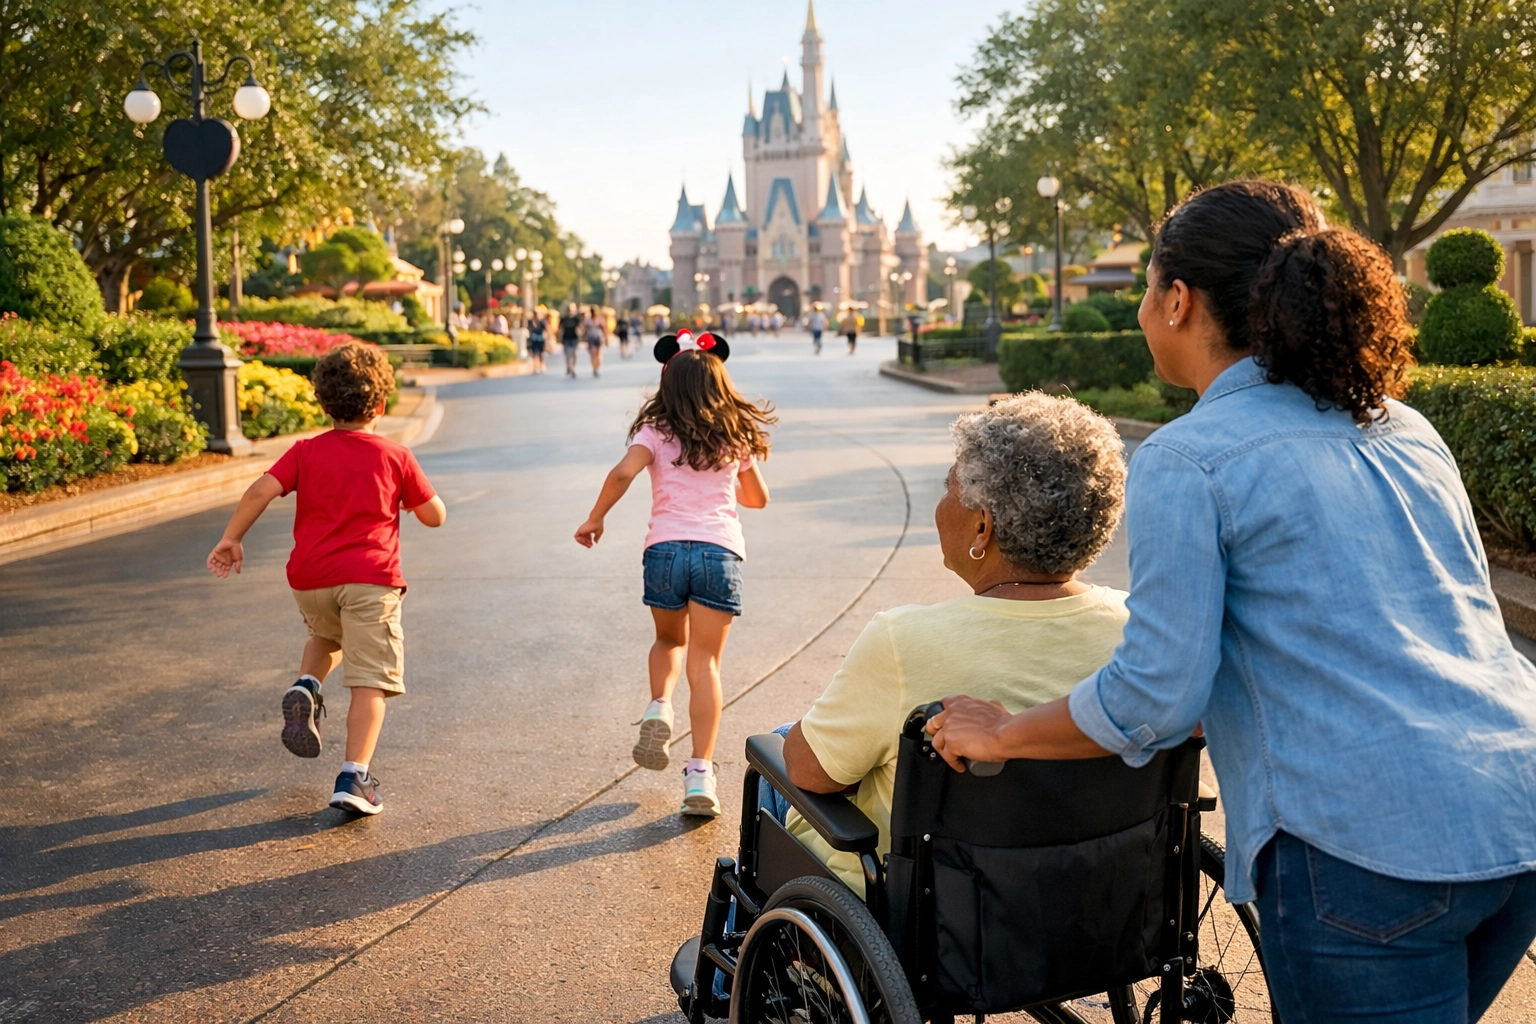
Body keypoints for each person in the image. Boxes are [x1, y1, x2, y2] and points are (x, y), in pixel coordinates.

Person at [927, 180, 1536, 1024]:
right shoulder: (1402, 425)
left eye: (1147, 286)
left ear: (1179, 301)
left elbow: (1154, 697)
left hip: (1363, 852)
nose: (1143, 308)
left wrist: (1003, 731)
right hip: (1513, 807)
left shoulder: (1192, 458)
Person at [765, 394, 1129, 894]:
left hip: (927, 920)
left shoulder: (904, 641)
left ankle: (730, 972)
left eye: (948, 488)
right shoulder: (1143, 634)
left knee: (780, 753)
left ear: (983, 526)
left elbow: (809, 772)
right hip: (1096, 904)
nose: (940, 507)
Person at [205, 342, 447, 815]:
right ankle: (354, 776)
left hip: (311, 579)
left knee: (326, 635)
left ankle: (307, 685)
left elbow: (260, 489)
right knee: (370, 680)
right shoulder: (394, 455)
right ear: (380, 405)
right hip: (369, 579)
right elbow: (433, 516)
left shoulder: (304, 452)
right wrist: (416, 502)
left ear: (323, 403)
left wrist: (231, 538)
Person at [574, 334, 775, 817]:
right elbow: (757, 499)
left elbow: (623, 474)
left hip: (664, 550)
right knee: (704, 663)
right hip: (718, 552)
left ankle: (658, 706)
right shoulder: (735, 435)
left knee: (668, 642)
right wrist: (733, 470)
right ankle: (700, 775)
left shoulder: (656, 432)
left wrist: (596, 516)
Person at [559, 302, 582, 378]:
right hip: (566, 337)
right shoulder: (564, 318)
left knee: (574, 354)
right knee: (568, 354)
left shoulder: (576, 318)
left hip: (574, 337)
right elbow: (560, 328)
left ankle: (573, 368)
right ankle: (568, 366)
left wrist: (580, 335)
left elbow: (579, 327)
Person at [584, 305, 607, 377]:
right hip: (591, 338)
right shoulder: (587, 320)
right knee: (593, 354)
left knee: (599, 354)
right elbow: (584, 329)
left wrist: (607, 338)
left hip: (599, 337)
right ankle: (594, 369)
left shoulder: (600, 319)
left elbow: (604, 329)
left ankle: (597, 367)